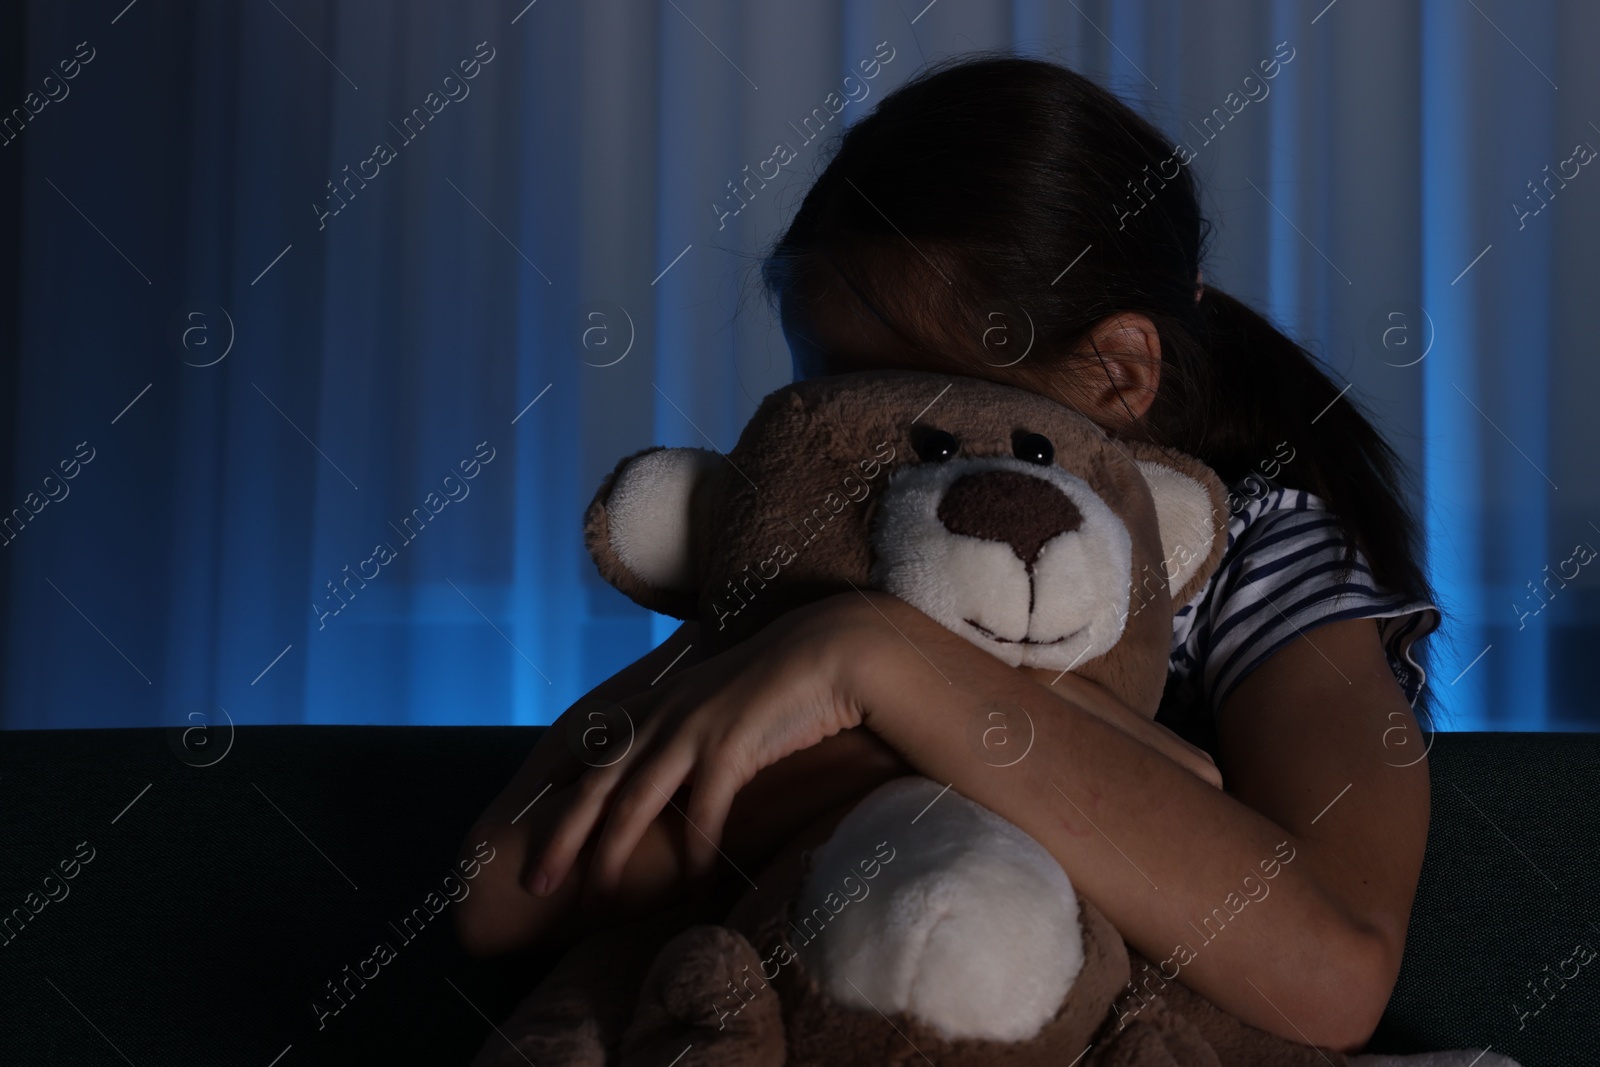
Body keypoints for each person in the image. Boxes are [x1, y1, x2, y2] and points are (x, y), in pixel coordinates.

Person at [456, 54, 1440, 1053]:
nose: (854, 427)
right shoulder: (838, 542)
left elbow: (1334, 967)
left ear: (1118, 372)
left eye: (904, 393)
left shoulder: (1259, 561)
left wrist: (881, 661)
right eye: (825, 386)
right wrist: (1021, 713)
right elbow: (503, 886)